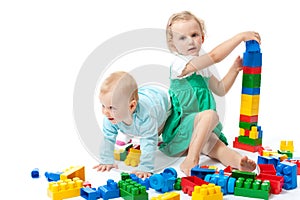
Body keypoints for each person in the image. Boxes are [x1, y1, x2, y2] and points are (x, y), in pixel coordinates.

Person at [159, 11, 261, 175]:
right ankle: (191, 160)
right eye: (182, 38)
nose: (190, 41)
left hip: (199, 134)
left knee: (218, 148)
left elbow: (220, 88)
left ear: (202, 38)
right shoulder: (180, 64)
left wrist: (234, 70)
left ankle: (239, 163)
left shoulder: (203, 68)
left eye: (194, 35)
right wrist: (240, 37)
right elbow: (214, 56)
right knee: (210, 115)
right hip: (181, 131)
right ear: (173, 45)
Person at [93, 71, 170, 178]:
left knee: (156, 131)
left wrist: (145, 167)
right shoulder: (110, 117)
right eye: (103, 106)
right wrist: (106, 160)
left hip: (161, 99)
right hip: (140, 98)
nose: (105, 112)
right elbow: (108, 138)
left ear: (131, 106)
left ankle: (133, 128)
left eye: (111, 107)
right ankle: (128, 129)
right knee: (129, 125)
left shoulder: (146, 116)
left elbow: (149, 140)